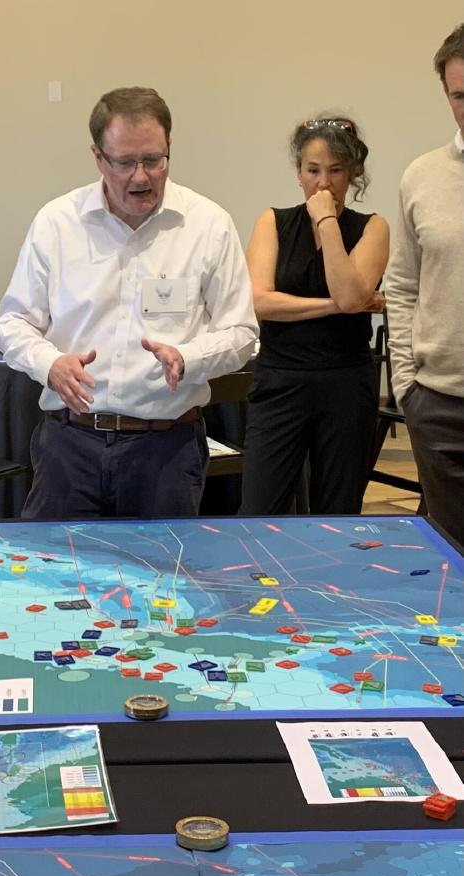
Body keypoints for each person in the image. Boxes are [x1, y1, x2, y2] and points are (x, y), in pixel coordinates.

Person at [0, 86, 258, 520]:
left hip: (166, 449)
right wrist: (50, 364)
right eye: (124, 162)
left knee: (163, 566)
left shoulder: (208, 225)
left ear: (169, 149)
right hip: (69, 445)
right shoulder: (57, 223)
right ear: (98, 157)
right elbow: (12, 322)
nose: (140, 177)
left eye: (153, 160)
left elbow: (241, 332)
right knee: (55, 562)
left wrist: (189, 357)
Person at [239, 115, 389, 516]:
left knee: (337, 511)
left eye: (336, 171)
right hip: (280, 379)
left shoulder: (373, 228)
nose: (324, 184)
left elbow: (350, 293)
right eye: (313, 170)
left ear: (352, 174)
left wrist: (326, 221)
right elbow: (260, 303)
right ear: (298, 173)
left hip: (345, 381)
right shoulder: (273, 221)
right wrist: (336, 306)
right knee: (258, 508)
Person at [385, 24, 464, 546]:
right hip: (439, 406)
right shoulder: (422, 176)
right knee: (451, 559)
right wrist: (406, 386)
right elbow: (401, 285)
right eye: (459, 96)